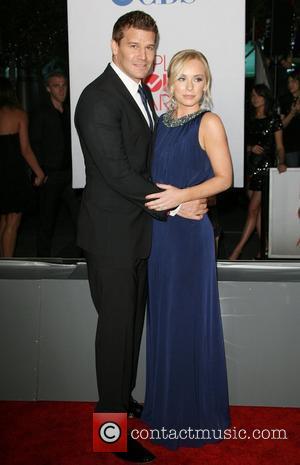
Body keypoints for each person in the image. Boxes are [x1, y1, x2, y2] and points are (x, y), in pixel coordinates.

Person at [75, 11, 206, 463]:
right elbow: (117, 174)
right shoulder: (98, 99)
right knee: (115, 336)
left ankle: (122, 400)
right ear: (115, 46)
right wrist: (179, 203)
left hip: (139, 235)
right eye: (134, 45)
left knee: (130, 331)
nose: (143, 55)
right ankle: (110, 432)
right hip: (111, 237)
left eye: (150, 46)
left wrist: (189, 191)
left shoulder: (141, 94)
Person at [141, 49, 232, 449]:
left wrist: (187, 196)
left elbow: (225, 178)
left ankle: (194, 413)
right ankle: (165, 408)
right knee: (164, 319)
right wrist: (176, 202)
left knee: (187, 320)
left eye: (198, 79)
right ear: (170, 82)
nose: (190, 87)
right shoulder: (159, 123)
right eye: (182, 78)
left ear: (206, 83)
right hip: (160, 233)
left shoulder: (209, 122)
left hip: (189, 238)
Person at [229, 84, 286, 260]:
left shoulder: (274, 119)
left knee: (252, 210)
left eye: (258, 95)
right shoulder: (248, 119)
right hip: (250, 168)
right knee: (258, 212)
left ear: (265, 98)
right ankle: (265, 248)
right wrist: (249, 148)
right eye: (252, 95)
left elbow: (280, 147)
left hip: (266, 169)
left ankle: (236, 252)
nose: (254, 98)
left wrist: (281, 162)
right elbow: (239, 144)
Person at [30, 69, 79, 257]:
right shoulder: (41, 113)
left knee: (80, 219)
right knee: (46, 223)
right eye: (56, 86)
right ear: (48, 89)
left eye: (63, 85)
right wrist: (40, 172)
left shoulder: (69, 111)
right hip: (50, 176)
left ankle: (79, 258)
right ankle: (42, 263)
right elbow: (33, 145)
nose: (61, 89)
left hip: (69, 176)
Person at [0, 77, 45, 257]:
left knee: (3, 220)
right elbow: (26, 150)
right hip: (12, 174)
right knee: (12, 222)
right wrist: (39, 173)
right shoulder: (18, 114)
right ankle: (7, 267)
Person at [280, 72, 300, 167]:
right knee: (294, 177)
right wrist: (292, 113)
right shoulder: (285, 100)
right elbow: (281, 126)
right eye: (288, 82)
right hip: (291, 145)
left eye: (293, 81)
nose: (290, 85)